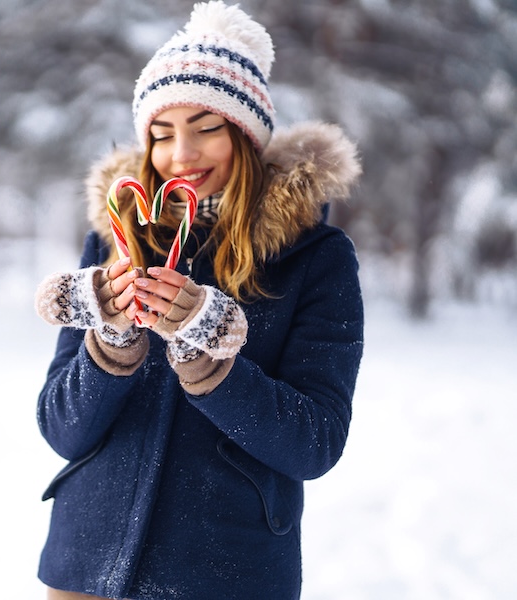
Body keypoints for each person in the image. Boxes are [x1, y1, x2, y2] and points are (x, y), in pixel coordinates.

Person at [33, 2, 364, 598]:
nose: (181, 154)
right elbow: (61, 428)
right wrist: (110, 344)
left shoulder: (315, 258)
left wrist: (212, 366)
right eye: (161, 134)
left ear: (246, 132)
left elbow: (314, 442)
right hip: (83, 568)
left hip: (225, 573)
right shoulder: (117, 238)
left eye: (206, 128)